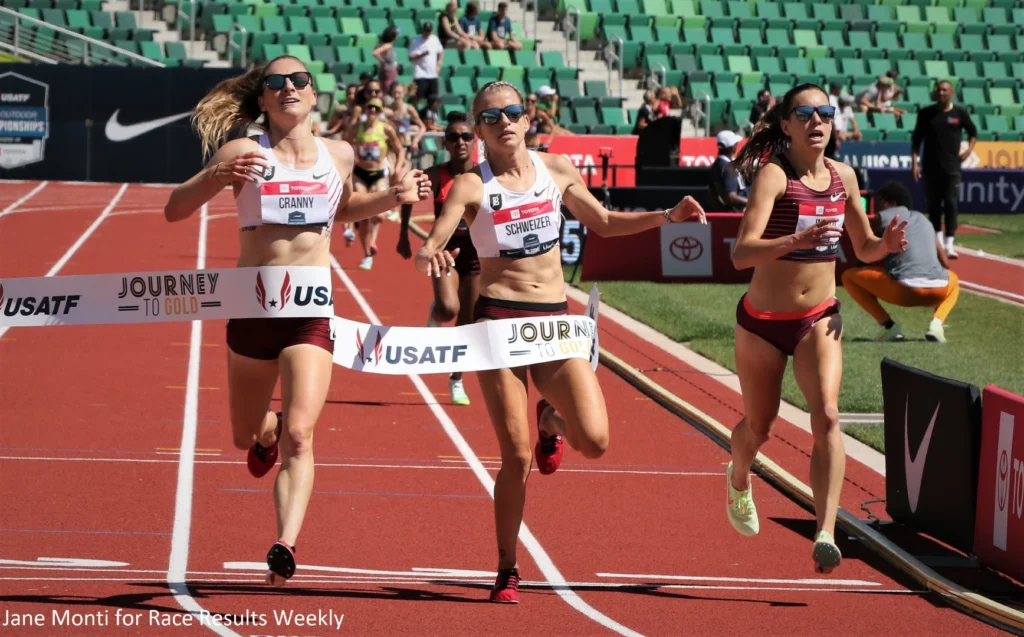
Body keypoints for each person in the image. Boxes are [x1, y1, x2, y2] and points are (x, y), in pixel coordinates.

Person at [415, 81, 707, 603]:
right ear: (479, 130)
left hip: (553, 321)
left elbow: (606, 223)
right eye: (490, 116)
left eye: (512, 112)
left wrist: (667, 216)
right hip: (499, 322)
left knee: (594, 441)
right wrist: (431, 257)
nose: (503, 121)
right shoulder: (470, 186)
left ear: (527, 119)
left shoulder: (557, 169)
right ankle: (507, 567)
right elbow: (431, 244)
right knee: (516, 455)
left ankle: (550, 419)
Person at [162, 55, 431, 585]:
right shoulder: (244, 151)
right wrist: (216, 176)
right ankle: (268, 434)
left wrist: (392, 197)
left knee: (303, 435)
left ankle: (285, 542)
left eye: (300, 80)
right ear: (262, 99)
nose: (289, 87)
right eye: (276, 82)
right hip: (252, 310)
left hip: (310, 312)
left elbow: (343, 210)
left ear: (315, 95)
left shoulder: (340, 153)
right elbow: (174, 209)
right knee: (246, 434)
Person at [726, 83, 907, 574]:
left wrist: (885, 244)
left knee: (827, 415)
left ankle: (826, 530)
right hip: (762, 323)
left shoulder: (844, 176)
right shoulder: (773, 177)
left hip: (817, 318)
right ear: (785, 124)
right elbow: (741, 254)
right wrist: (796, 239)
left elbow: (863, 247)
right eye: (805, 113)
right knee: (758, 426)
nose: (817, 121)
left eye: (825, 112)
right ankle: (739, 475)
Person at [397, 112, 481, 406]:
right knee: (449, 308)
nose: (460, 141)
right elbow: (409, 198)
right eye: (454, 137)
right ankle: (436, 314)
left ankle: (456, 379)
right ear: (445, 143)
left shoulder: (485, 175)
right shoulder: (437, 174)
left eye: (466, 136)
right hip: (444, 250)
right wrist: (404, 236)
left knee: (469, 322)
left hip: (476, 254)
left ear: (475, 140)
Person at [842, 181, 958, 343]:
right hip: (937, 289)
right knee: (953, 279)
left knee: (848, 276)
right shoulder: (925, 221)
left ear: (891, 203)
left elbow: (862, 233)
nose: (877, 207)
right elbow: (945, 263)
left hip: (904, 290)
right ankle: (937, 324)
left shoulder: (889, 214)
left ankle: (889, 327)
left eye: (881, 202)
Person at [911, 79, 977, 259]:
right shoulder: (926, 114)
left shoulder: (959, 114)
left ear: (951, 92)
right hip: (930, 167)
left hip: (952, 167)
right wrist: (914, 163)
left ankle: (949, 244)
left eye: (944, 90)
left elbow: (973, 133)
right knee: (933, 206)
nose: (941, 93)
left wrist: (968, 151)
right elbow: (916, 141)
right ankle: (937, 243)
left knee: (950, 204)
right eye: (939, 90)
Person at [345, 97, 406, 270]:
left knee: (378, 214)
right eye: (369, 108)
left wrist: (398, 166)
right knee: (363, 217)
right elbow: (345, 146)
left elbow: (399, 148)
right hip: (360, 174)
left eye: (376, 109)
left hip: (378, 174)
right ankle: (367, 255)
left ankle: (372, 240)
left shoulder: (386, 129)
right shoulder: (356, 128)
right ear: (365, 110)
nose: (372, 111)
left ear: (380, 112)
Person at [708, 129, 748, 212]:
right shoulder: (728, 168)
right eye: (736, 144)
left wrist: (724, 211)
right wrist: (754, 203)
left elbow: (711, 195)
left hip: (733, 212)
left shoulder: (717, 165)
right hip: (741, 212)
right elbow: (732, 198)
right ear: (733, 147)